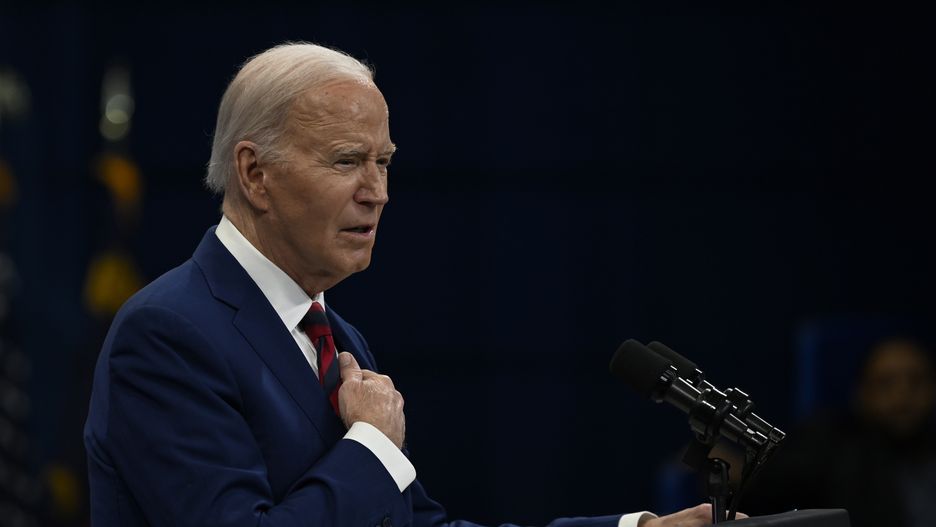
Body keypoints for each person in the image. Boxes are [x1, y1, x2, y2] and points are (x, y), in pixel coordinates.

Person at [83, 43, 717, 527]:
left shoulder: (336, 337)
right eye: (346, 161)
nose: (377, 192)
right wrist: (371, 447)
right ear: (254, 173)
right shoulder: (168, 333)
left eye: (383, 162)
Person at [743, 337, 936, 527]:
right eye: (885, 384)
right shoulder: (826, 447)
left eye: (916, 382)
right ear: (861, 393)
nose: (902, 396)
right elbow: (761, 490)